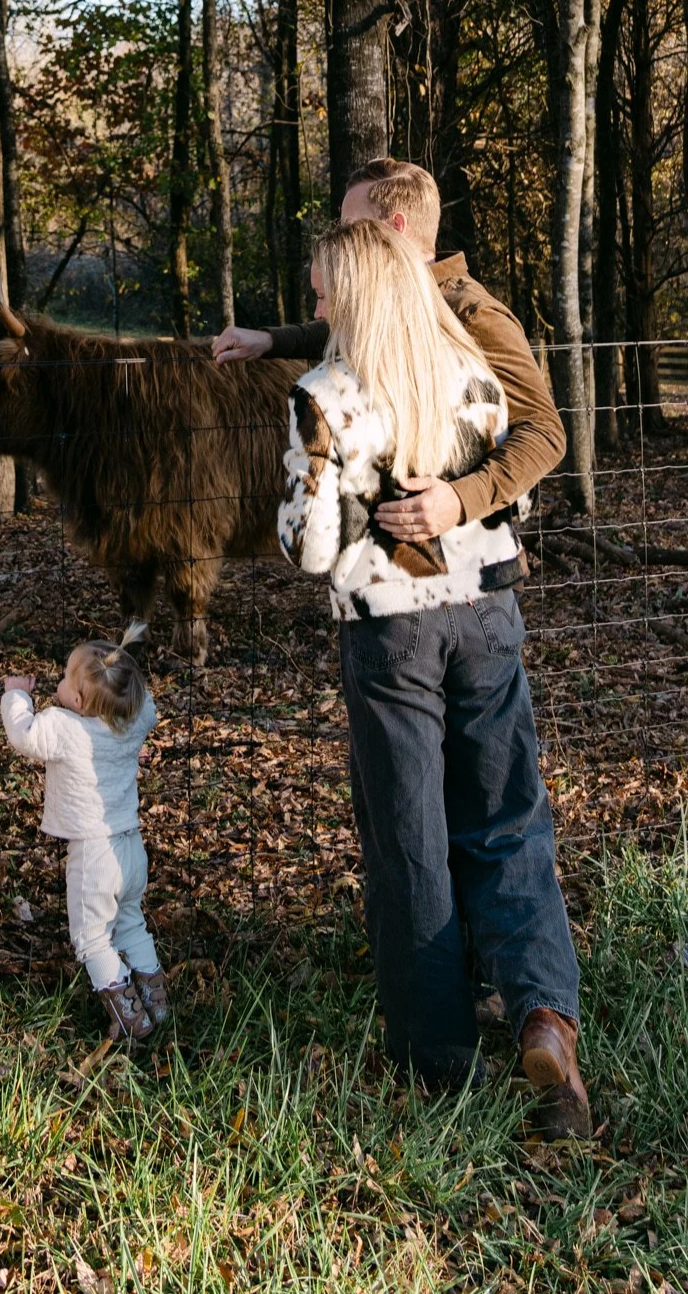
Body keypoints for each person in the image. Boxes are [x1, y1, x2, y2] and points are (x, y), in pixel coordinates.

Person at [275, 214, 589, 1137]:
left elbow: (309, 547)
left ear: (356, 292)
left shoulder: (325, 392)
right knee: (505, 814)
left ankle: (437, 1056)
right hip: (487, 611)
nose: (316, 301)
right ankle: (541, 1011)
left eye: (325, 286)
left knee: (408, 833)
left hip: (390, 634)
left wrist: (315, 507)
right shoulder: (469, 371)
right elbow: (518, 482)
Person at [213, 157, 567, 557]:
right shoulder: (399, 300)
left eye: (352, 228)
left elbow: (545, 432)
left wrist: (460, 499)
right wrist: (270, 341)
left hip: (471, 565)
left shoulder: (474, 315)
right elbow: (337, 330)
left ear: (395, 227)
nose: (343, 239)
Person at [0, 637, 167, 1043]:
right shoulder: (131, 721)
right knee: (131, 924)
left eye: (63, 678)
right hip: (130, 846)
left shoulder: (64, 728)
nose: (57, 683)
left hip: (93, 856)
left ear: (76, 698)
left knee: (91, 938)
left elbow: (23, 734)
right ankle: (157, 1004)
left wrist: (16, 694)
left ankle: (130, 1019)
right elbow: (147, 707)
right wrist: (119, 687)